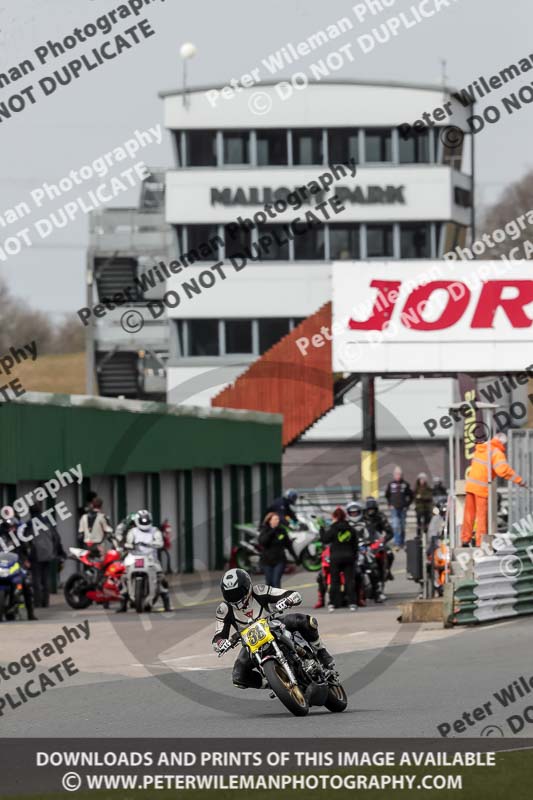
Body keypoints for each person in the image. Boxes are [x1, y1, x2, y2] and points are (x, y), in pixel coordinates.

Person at [212, 568, 335, 689]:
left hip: (273, 624)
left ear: (247, 586)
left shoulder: (259, 590)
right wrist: (221, 643)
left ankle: (321, 652)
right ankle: (271, 683)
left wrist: (288, 600)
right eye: (230, 594)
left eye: (237, 592)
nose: (234, 597)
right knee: (238, 677)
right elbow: (218, 637)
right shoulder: (223, 609)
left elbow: (291, 594)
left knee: (307, 622)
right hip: (250, 643)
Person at [461, 432, 527, 547]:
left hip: (470, 486)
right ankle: (479, 543)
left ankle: (465, 539)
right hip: (481, 488)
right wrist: (519, 480)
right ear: (502, 443)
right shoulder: (496, 452)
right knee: (481, 517)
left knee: (469, 514)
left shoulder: (482, 448)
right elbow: (503, 470)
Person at [117, 509, 171, 612]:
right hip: (134, 557)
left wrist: (153, 544)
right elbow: (128, 542)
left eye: (146, 520)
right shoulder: (132, 531)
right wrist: (128, 545)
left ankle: (166, 602)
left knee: (161, 577)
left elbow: (160, 542)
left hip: (151, 558)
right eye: (142, 520)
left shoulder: (155, 531)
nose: (144, 522)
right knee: (123, 577)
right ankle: (123, 603)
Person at [27, 503, 66, 608]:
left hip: (36, 554)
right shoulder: (48, 522)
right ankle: (46, 602)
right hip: (48, 554)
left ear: (30, 512)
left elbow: (25, 540)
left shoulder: (29, 524)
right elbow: (56, 538)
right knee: (45, 579)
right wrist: (60, 552)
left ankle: (37, 602)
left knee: (36, 579)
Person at [0, 509, 37, 621]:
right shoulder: (2, 537)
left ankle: (31, 613)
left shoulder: (20, 538)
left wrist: (26, 561)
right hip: (2, 566)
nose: (12, 528)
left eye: (13, 526)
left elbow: (26, 550)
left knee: (27, 584)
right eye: (9, 526)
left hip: (17, 565)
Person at [320, 507, 359, 612]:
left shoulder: (333, 529)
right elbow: (355, 544)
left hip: (335, 557)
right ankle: (352, 603)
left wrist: (322, 528)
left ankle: (333, 603)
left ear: (335, 517)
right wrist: (354, 556)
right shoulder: (350, 529)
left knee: (334, 581)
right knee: (349, 580)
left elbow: (324, 539)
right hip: (349, 557)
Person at [258, 512, 298, 588]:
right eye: (275, 519)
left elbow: (288, 545)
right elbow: (263, 542)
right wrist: (272, 531)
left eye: (278, 519)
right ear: (270, 521)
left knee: (276, 582)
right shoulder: (264, 530)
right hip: (267, 561)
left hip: (279, 560)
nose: (277, 521)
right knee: (269, 582)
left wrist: (295, 557)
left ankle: (278, 599)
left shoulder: (282, 531)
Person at [363, 497, 394, 592]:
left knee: (389, 554)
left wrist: (383, 540)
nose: (371, 512)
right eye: (369, 510)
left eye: (373, 509)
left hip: (377, 542)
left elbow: (389, 531)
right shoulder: (361, 517)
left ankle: (387, 571)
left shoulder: (381, 516)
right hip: (364, 542)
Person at [385, 466, 413, 549]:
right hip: (394, 508)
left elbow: (411, 496)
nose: (398, 476)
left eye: (399, 474)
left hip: (403, 508)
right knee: (395, 525)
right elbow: (387, 495)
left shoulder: (405, 484)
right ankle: (397, 542)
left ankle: (402, 541)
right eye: (396, 474)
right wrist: (390, 504)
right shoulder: (391, 484)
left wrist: (407, 505)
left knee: (402, 525)